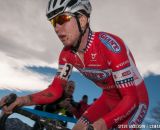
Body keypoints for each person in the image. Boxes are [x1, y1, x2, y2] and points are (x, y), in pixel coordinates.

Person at [0, 0, 149, 130]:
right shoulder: (66, 55)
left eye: (62, 18)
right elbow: (55, 90)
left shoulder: (110, 46)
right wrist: (22, 100)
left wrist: (103, 123)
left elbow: (131, 98)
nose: (57, 28)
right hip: (107, 99)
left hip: (134, 100)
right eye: (53, 22)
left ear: (82, 20)